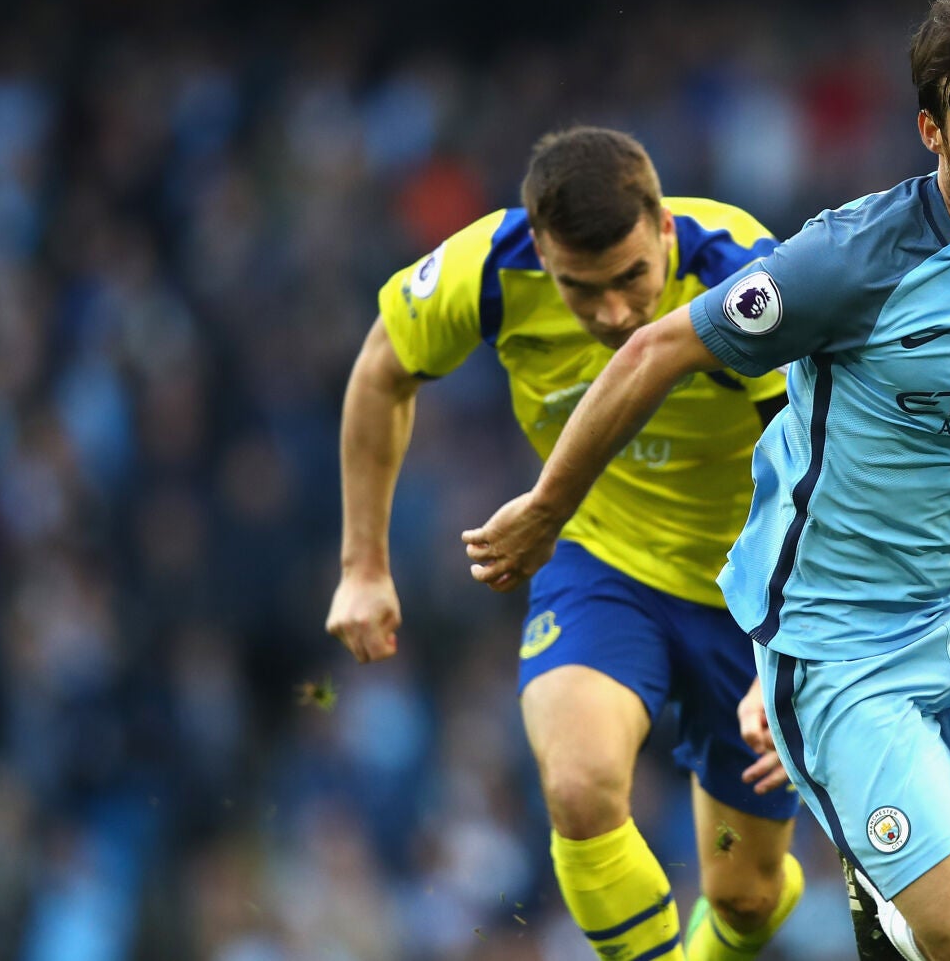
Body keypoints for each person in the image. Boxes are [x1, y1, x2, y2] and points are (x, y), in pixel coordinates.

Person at [462, 0, 950, 961]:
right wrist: (547, 506)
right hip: (837, 637)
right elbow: (656, 347)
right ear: (931, 132)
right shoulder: (853, 259)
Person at [324, 126, 804, 961]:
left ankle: (744, 907)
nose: (615, 312)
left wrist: (800, 652)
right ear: (542, 252)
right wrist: (363, 565)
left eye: (631, 279)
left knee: (745, 894)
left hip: (756, 593)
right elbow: (380, 370)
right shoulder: (486, 270)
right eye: (584, 290)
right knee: (579, 787)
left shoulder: (745, 275)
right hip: (602, 566)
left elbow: (824, 472)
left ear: (663, 230)